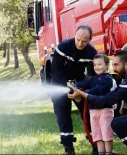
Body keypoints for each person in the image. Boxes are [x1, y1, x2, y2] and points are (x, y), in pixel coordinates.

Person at [51, 25, 98, 155]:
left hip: (78, 85)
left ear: (89, 40)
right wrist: (69, 87)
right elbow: (55, 71)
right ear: (74, 35)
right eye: (78, 39)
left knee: (88, 114)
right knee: (63, 116)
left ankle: (95, 144)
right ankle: (68, 148)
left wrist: (82, 90)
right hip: (59, 84)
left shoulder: (92, 53)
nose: (80, 43)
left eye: (84, 41)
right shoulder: (62, 47)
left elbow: (93, 75)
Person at [75, 54, 116, 155]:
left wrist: (84, 93)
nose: (97, 67)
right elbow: (84, 84)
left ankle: (108, 153)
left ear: (107, 65)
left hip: (105, 111)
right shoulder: (94, 78)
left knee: (106, 135)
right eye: (95, 65)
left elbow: (97, 90)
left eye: (99, 64)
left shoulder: (107, 78)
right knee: (97, 135)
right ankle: (100, 152)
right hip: (93, 111)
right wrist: (74, 84)